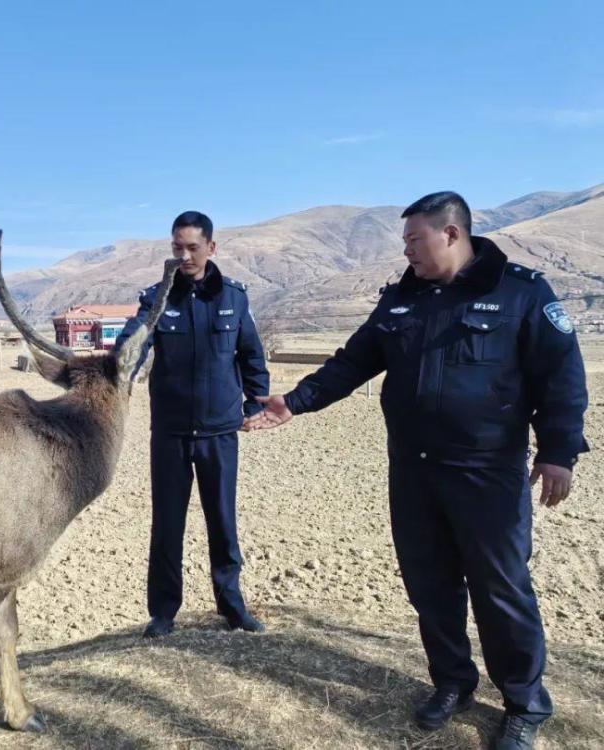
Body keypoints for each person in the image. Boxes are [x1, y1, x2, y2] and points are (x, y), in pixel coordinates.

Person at [250, 191, 588, 750]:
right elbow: (354, 360)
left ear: (451, 233)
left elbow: (562, 376)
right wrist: (296, 401)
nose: (406, 251)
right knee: (430, 587)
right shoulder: (402, 300)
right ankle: (453, 682)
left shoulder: (520, 293)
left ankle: (524, 703)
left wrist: (559, 451)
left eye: (414, 239)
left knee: (501, 590)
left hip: (488, 473)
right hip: (414, 471)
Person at [116, 210, 270, 638]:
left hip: (220, 431)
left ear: (211, 248)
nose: (183, 256)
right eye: (176, 248)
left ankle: (232, 606)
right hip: (170, 432)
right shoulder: (157, 297)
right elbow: (135, 342)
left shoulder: (234, 299)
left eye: (192, 248)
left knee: (222, 520)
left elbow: (251, 356)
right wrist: (120, 359)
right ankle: (163, 612)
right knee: (167, 523)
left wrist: (256, 404)